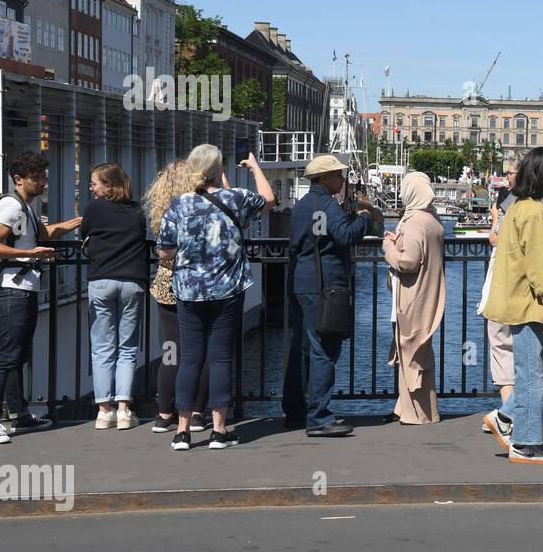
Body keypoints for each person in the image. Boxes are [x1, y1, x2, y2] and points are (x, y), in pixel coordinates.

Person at [156, 144, 274, 452]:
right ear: (219, 170)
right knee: (220, 359)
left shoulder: (179, 204)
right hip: (226, 290)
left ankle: (182, 432)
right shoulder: (235, 198)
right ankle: (219, 431)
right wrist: (255, 168)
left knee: (190, 359)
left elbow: (164, 249)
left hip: (189, 292)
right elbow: (269, 200)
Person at [0, 150, 81, 444]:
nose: (43, 182)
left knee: (17, 355)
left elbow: (41, 234)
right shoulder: (11, 207)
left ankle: (20, 415)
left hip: (23, 288)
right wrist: (29, 254)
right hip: (12, 289)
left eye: (44, 176)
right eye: (37, 178)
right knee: (8, 355)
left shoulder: (24, 207)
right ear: (18, 179)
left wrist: (74, 223)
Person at [482, 148, 543, 464]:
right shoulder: (532, 213)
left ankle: (505, 417)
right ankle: (525, 444)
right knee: (532, 374)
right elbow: (537, 266)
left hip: (523, 302)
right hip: (530, 305)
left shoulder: (520, 208)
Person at [281, 155, 373, 437]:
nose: (341, 179)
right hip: (324, 286)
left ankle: (295, 411)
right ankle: (319, 417)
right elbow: (346, 236)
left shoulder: (302, 205)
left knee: (300, 347)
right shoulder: (326, 204)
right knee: (325, 348)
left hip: (299, 281)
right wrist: (365, 217)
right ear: (324, 179)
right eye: (337, 175)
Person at [81, 163, 148, 430]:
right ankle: (124, 409)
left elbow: (85, 234)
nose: (91, 187)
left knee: (102, 348)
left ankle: (103, 410)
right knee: (128, 349)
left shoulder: (93, 208)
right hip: (132, 281)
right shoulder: (137, 210)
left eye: (94, 182)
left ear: (109, 186)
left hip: (101, 280)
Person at [144, 161, 209, 435]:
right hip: (197, 283)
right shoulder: (201, 207)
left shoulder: (160, 211)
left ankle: (164, 413)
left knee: (170, 349)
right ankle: (195, 412)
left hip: (167, 283)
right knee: (201, 350)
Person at [382, 172, 446, 424]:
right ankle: (420, 409)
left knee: (408, 351)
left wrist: (389, 247)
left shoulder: (413, 222)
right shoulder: (433, 220)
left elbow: (408, 261)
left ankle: (413, 413)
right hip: (429, 294)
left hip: (411, 296)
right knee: (420, 351)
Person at [478, 164, 517, 431]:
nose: (506, 176)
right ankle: (513, 412)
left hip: (503, 284)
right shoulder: (541, 204)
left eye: (511, 172)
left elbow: (495, 239)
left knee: (501, 347)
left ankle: (508, 414)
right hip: (522, 289)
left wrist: (495, 218)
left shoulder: (511, 205)